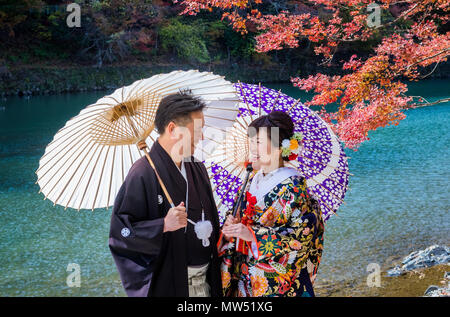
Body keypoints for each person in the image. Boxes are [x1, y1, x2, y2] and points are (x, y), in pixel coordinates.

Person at [109, 90, 222, 297]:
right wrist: (162, 225)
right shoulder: (142, 173)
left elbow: (212, 221)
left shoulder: (198, 169)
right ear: (172, 129)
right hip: (171, 286)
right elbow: (120, 235)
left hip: (206, 281)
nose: (203, 137)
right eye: (197, 130)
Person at [218, 111, 324, 297]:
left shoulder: (293, 185)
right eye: (250, 142)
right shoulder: (251, 180)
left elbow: (301, 237)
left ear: (278, 146)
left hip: (276, 282)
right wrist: (231, 227)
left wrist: (253, 235)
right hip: (245, 279)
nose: (252, 148)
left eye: (258, 142)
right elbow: (238, 221)